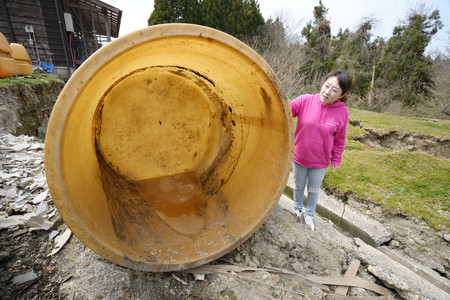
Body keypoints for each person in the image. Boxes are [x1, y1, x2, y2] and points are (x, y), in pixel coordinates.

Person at [289, 70, 352, 231]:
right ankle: (297, 209)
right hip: (299, 157)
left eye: (335, 90)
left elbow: (340, 139)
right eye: (327, 86)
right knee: (298, 185)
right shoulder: (305, 100)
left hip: (320, 162)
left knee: (313, 189)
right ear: (323, 83)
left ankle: (309, 214)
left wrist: (336, 159)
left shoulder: (342, 112)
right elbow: (286, 109)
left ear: (342, 94)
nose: (328, 92)